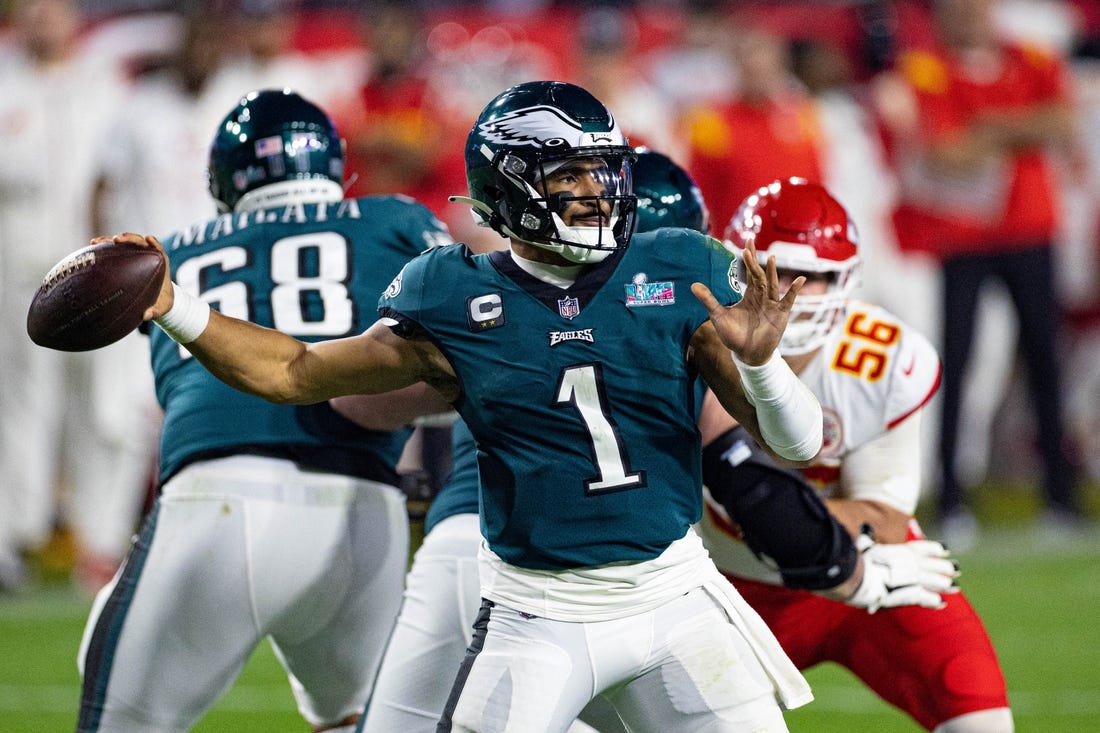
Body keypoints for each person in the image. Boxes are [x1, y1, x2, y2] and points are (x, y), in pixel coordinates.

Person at [118, 79, 833, 732]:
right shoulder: (451, 293)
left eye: (604, 168)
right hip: (538, 613)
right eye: (569, 174)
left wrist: (763, 364)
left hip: (674, 597)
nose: (599, 190)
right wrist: (174, 305)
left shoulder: (679, 266)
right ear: (511, 185)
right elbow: (296, 370)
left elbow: (796, 444)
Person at [343, 150, 957, 733]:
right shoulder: (664, 297)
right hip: (570, 587)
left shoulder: (501, 294)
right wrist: (856, 573)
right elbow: (748, 484)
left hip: (466, 546)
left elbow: (363, 405)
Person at [75, 89, 453, 733]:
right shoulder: (395, 220)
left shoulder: (171, 251)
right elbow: (460, 359)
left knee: (115, 711)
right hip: (365, 516)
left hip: (219, 504)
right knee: (356, 718)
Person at [699, 177, 1013, 732]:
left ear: (846, 282)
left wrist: (793, 520)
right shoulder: (695, 348)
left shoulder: (883, 360)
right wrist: (806, 521)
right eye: (764, 269)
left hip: (871, 572)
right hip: (727, 596)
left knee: (980, 716)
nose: (785, 291)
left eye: (812, 276)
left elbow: (886, 518)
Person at [886, 0, 1085, 540]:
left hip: (1028, 229)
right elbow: (946, 152)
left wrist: (990, 127)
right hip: (964, 236)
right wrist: (1020, 129)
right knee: (959, 359)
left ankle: (1060, 498)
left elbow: (1063, 120)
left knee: (1046, 361)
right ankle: (951, 497)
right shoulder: (928, 68)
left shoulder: (1032, 58)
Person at [0, 0, 129, 591]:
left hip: (98, 266)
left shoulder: (106, 84)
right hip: (18, 264)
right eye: (30, 8)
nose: (41, 18)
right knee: (21, 404)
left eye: (51, 6)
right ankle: (16, 537)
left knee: (101, 405)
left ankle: (97, 541)